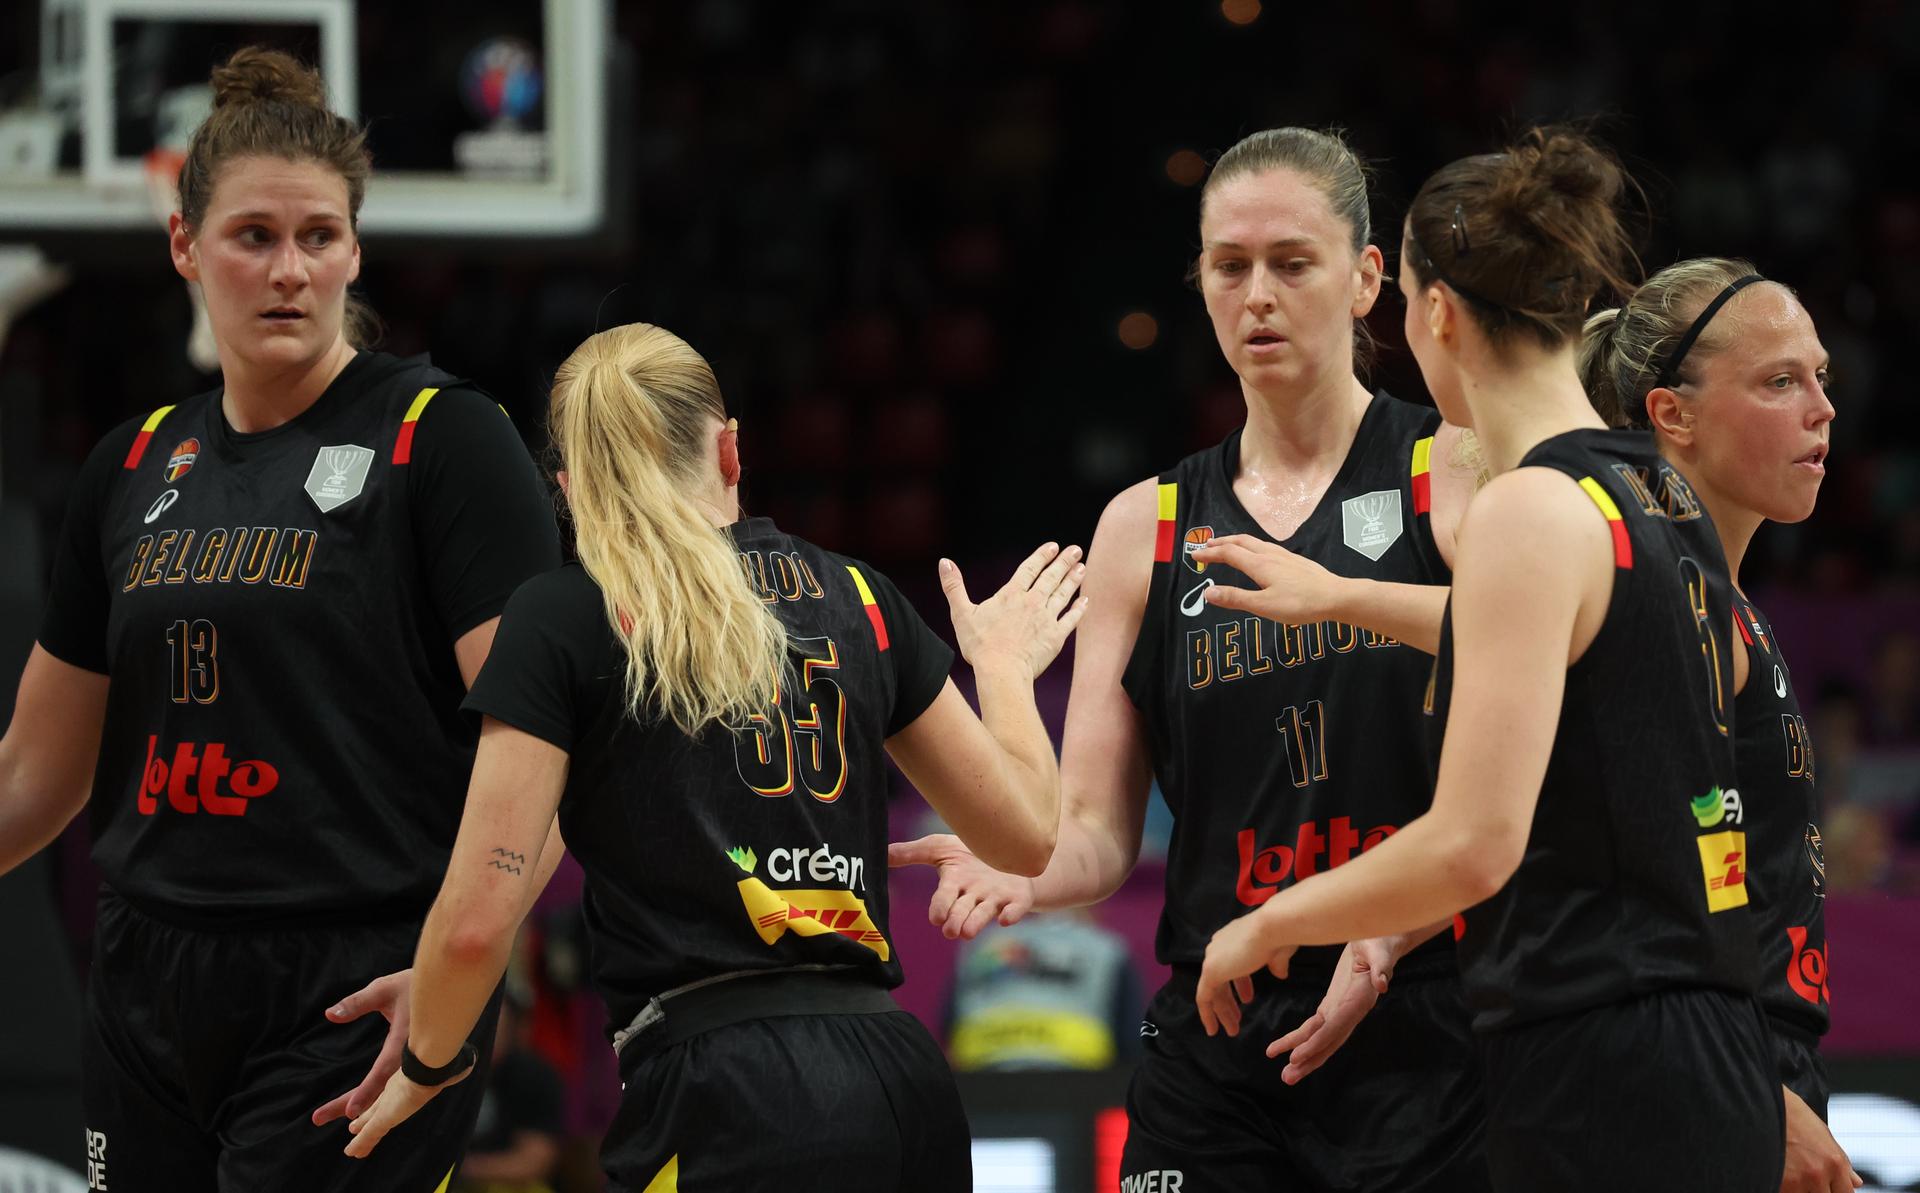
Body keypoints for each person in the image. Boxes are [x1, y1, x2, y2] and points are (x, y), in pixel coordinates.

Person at [335, 322, 1085, 1192]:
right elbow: (1028, 837)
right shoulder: (860, 597)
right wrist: (1003, 671)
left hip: (721, 1089)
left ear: (570, 489)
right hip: (900, 1081)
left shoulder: (566, 617)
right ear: (729, 450)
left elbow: (474, 921)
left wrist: (427, 1059)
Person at [0, 47, 561, 1190]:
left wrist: (464, 968)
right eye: (254, 236)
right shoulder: (134, 464)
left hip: (355, 978)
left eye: (320, 237)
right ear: (185, 246)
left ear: (356, 250)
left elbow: (552, 739)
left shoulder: (441, 440)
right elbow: (31, 779)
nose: (290, 270)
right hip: (146, 977)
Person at [891, 127, 1489, 1191]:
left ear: (1366, 280)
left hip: (1422, 1016)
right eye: (1228, 265)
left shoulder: (1452, 472)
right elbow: (1095, 835)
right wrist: (1022, 871)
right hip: (1218, 1026)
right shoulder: (1147, 527)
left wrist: (1389, 933)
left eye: (1291, 262)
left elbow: (1525, 782)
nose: (1256, 293)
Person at [1190, 128, 1784, 1192]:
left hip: (1599, 1064)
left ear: (1436, 312)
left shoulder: (1525, 508)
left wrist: (1268, 921)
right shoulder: (1662, 494)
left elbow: (1472, 844)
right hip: (1711, 1045)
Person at [1581, 259, 1856, 1193]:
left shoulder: (1725, 601)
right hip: (1704, 1095)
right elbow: (1631, 904)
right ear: (1672, 415)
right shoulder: (1665, 602)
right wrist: (1761, 1094)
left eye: (1822, 378)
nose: (1821, 407)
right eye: (1781, 381)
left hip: (1747, 1073)